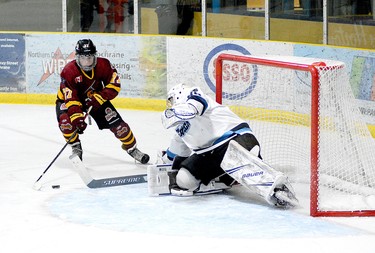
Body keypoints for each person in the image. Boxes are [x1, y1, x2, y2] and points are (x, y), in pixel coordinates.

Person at [155, 83, 297, 207]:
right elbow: (176, 151)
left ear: (179, 93)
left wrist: (175, 113)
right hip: (210, 154)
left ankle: (277, 189)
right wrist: (162, 162)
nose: (171, 104)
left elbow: (193, 107)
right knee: (183, 180)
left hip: (235, 139)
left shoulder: (194, 94)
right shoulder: (180, 126)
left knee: (234, 159)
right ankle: (225, 179)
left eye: (171, 100)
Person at [55, 39, 150, 164]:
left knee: (120, 127)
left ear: (95, 56)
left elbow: (114, 85)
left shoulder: (104, 65)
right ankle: (76, 146)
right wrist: (77, 118)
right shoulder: (69, 71)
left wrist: (99, 98)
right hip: (68, 101)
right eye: (84, 58)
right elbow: (71, 98)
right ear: (77, 57)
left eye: (90, 58)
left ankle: (132, 148)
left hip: (96, 99)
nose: (87, 62)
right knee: (66, 123)